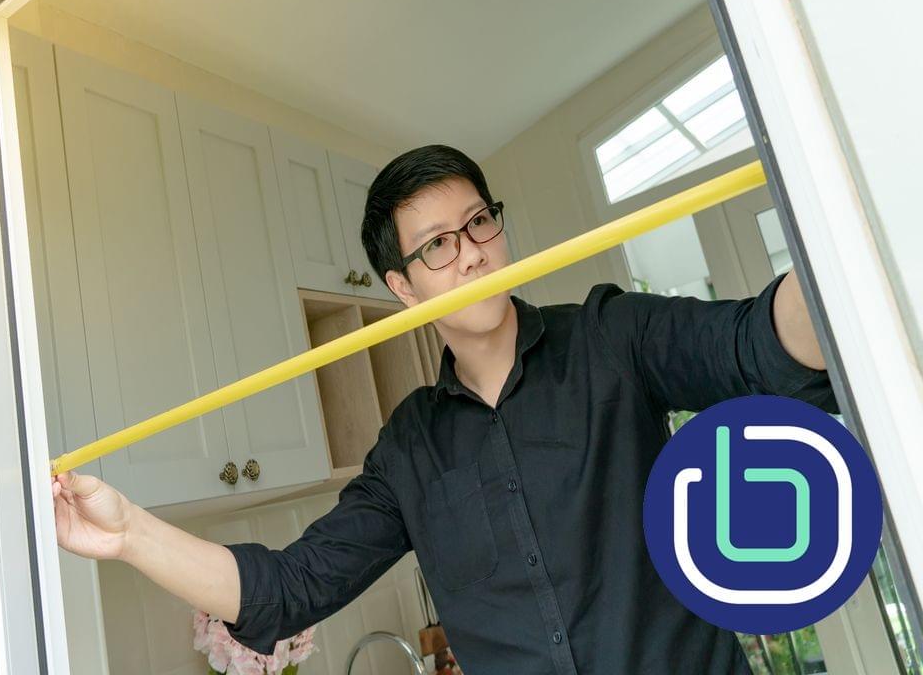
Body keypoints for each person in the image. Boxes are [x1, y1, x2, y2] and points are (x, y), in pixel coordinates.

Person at [52, 144, 835, 674]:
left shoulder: (611, 334)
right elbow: (286, 589)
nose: (469, 253)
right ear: (403, 289)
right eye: (435, 246)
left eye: (478, 223)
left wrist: (840, 247)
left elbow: (759, 345)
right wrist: (128, 535)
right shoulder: (408, 452)